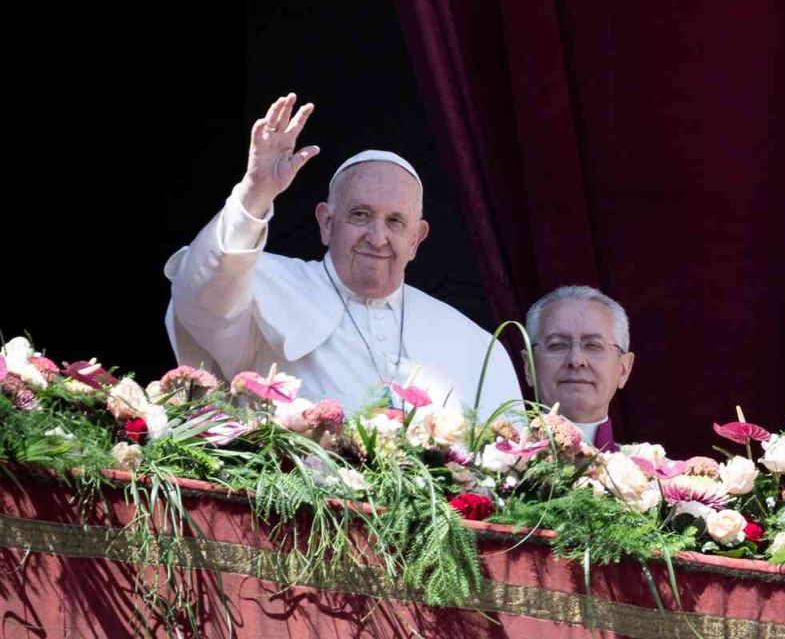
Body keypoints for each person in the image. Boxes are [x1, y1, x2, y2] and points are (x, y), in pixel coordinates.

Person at [163, 93, 524, 415]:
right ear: (326, 222)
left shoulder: (473, 343)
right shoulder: (262, 286)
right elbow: (201, 294)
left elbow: (510, 450)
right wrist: (254, 193)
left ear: (416, 239)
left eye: (395, 221)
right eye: (360, 215)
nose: (377, 238)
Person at [523, 285, 634, 449]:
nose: (576, 360)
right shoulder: (489, 463)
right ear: (529, 366)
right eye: (557, 345)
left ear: (624, 369)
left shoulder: (652, 465)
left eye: (593, 345)